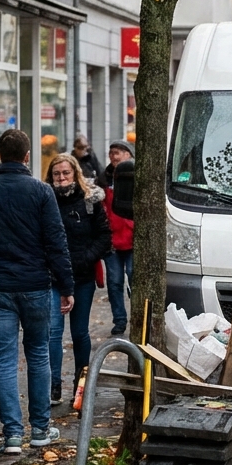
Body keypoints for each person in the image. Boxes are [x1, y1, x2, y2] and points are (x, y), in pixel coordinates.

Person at [0, 129, 75, 455]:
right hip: (36, 286)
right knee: (39, 354)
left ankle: (12, 434)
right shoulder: (41, 192)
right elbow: (56, 242)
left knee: (6, 360)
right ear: (27, 156)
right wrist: (66, 286)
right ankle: (40, 429)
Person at [44, 153, 112, 405]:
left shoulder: (90, 201)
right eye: (56, 174)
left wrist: (85, 257)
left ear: (75, 173)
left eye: (66, 173)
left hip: (82, 276)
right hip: (52, 277)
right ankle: (53, 385)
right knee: (53, 332)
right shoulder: (45, 199)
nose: (61, 178)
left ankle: (80, 385)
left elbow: (105, 237)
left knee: (80, 332)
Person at [100, 139, 135, 335]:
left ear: (128, 154)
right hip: (112, 240)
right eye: (111, 152)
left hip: (131, 238)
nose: (113, 156)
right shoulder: (103, 179)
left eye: (118, 152)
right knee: (114, 281)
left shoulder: (135, 175)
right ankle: (120, 320)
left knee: (133, 276)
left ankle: (137, 314)